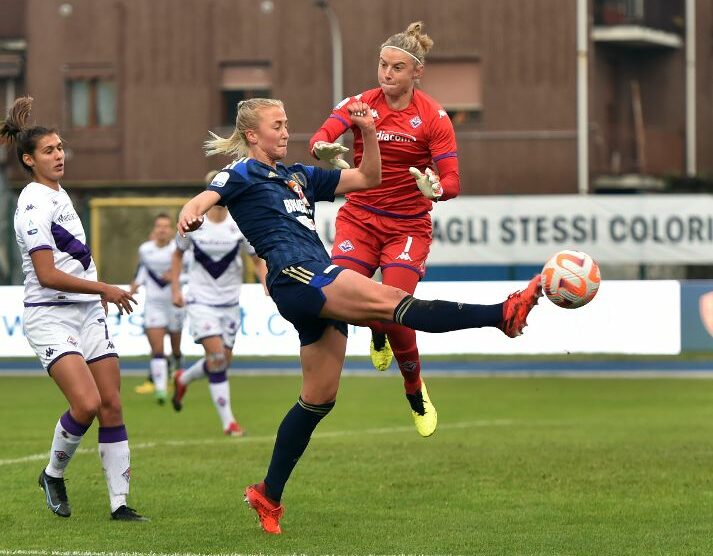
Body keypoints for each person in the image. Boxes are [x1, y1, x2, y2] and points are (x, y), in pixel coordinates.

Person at [177, 97, 541, 535]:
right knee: (395, 304)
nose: (286, 131)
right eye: (277, 125)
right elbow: (202, 199)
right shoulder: (243, 172)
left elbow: (369, 177)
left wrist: (366, 131)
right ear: (252, 135)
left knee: (319, 399)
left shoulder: (298, 176)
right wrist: (191, 214)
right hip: (298, 276)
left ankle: (268, 495)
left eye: (287, 122)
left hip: (316, 279)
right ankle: (503, 314)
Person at [310, 21, 460, 438]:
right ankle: (377, 332)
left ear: (417, 73)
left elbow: (453, 182)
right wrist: (325, 146)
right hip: (359, 217)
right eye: (382, 65)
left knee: (396, 308)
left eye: (396, 67)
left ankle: (414, 389)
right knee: (343, 299)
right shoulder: (361, 104)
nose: (386, 74)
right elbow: (322, 136)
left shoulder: (434, 118)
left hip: (407, 226)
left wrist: (436, 190)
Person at [2, 96, 147, 521]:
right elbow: (47, 274)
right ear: (29, 160)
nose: (59, 155)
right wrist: (105, 286)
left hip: (87, 312)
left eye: (61, 147)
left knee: (112, 405)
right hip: (50, 313)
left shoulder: (58, 193)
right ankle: (52, 473)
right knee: (85, 404)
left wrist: (95, 294)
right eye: (48, 151)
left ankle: (119, 505)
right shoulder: (32, 202)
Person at [170, 170, 267, 436]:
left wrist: (265, 281)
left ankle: (184, 378)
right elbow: (177, 255)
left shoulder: (239, 225)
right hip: (201, 300)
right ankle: (229, 423)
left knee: (221, 360)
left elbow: (256, 258)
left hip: (229, 302)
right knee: (216, 358)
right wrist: (176, 288)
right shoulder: (193, 222)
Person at [129, 214, 187, 403]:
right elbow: (144, 270)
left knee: (175, 348)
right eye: (159, 226)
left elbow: (190, 274)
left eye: (165, 226)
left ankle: (177, 369)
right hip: (154, 304)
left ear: (171, 230)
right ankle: (161, 390)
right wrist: (136, 284)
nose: (162, 229)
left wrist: (176, 279)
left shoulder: (178, 250)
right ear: (154, 229)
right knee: (157, 348)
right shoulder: (145, 250)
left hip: (175, 304)